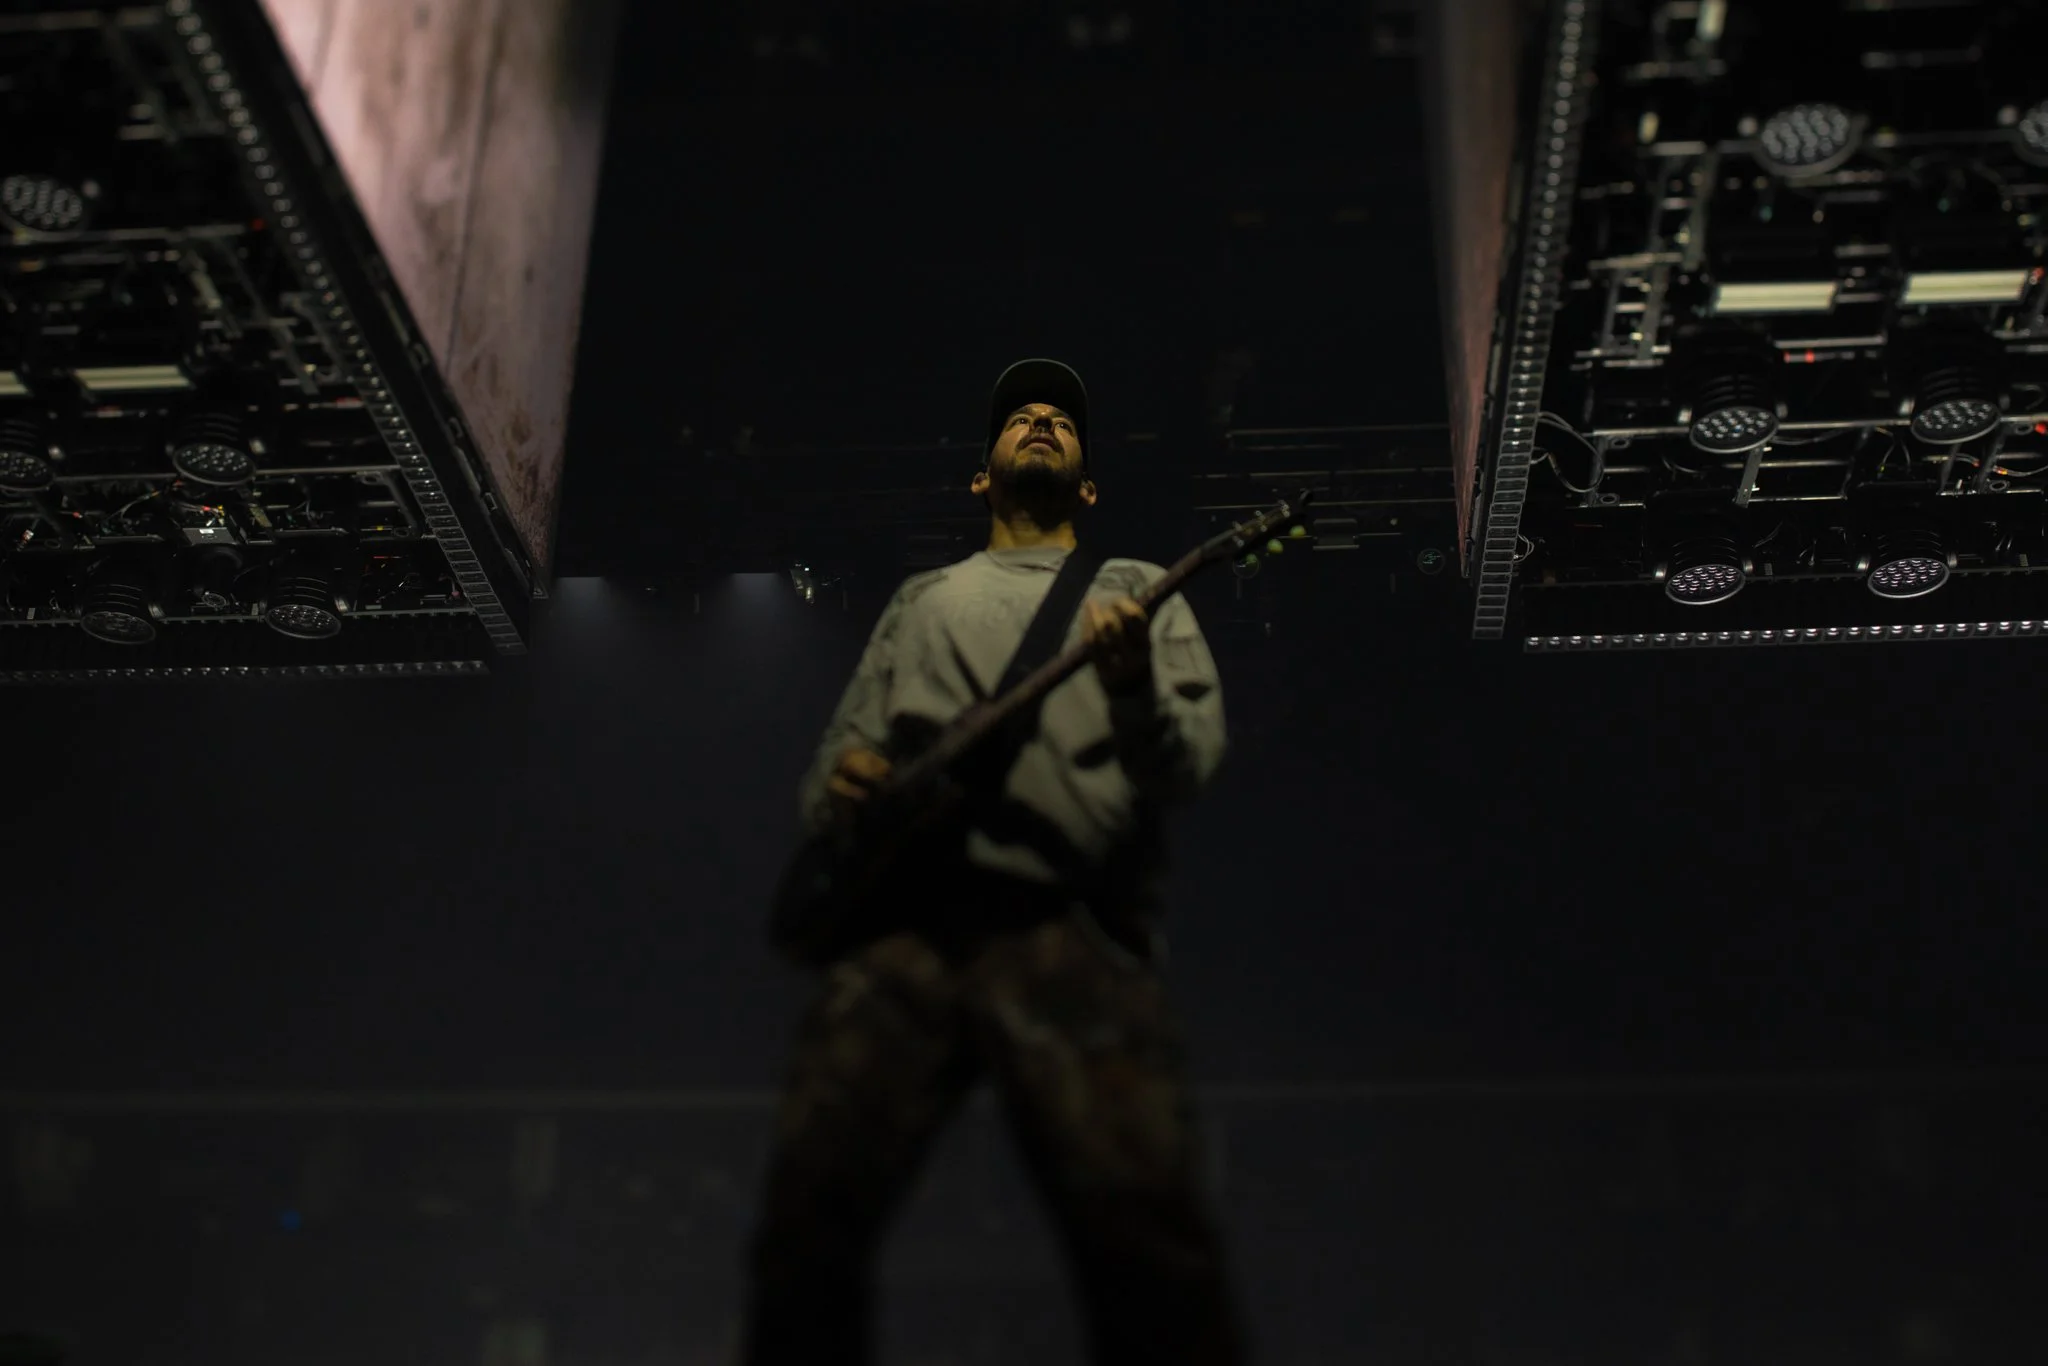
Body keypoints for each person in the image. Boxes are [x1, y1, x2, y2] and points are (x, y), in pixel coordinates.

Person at [740, 359, 1250, 1364]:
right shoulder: (921, 597)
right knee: (805, 1219)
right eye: (1020, 416)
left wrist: (1131, 683)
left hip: (1064, 922)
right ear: (980, 476)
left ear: (1088, 485)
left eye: (1059, 419)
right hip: (906, 924)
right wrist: (844, 781)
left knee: (1146, 1234)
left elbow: (1187, 763)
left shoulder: (1139, 591)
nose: (1039, 422)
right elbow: (832, 764)